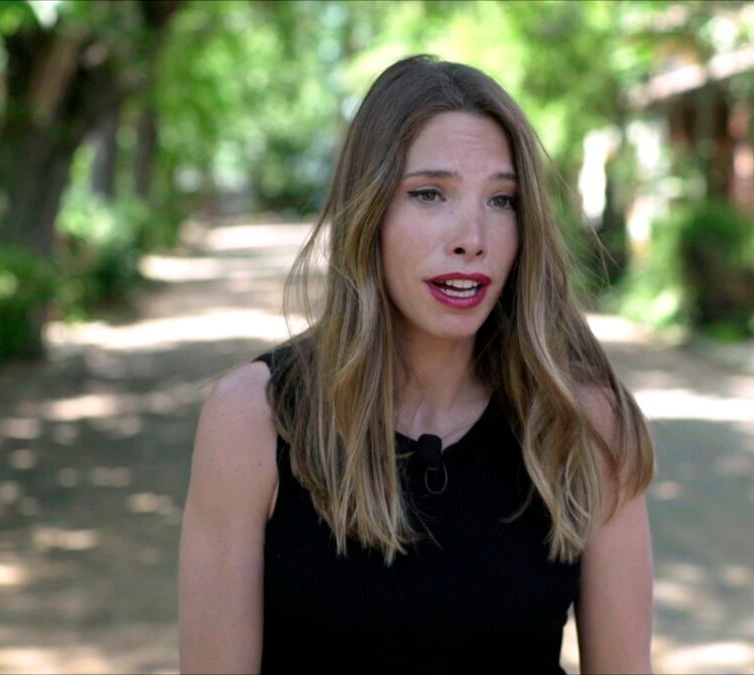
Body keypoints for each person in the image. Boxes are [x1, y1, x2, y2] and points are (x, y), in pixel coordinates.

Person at [178, 55, 655, 674]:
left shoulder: (584, 424)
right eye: (430, 194)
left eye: (502, 200)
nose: (472, 238)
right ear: (368, 210)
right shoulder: (253, 419)